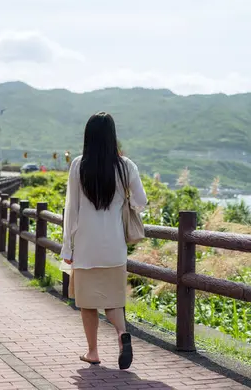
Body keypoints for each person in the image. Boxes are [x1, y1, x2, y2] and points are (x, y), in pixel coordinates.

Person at [60, 112, 148, 369]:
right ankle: (122, 335)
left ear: (88, 137)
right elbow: (141, 201)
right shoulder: (126, 166)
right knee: (112, 300)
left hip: (87, 247)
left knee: (88, 303)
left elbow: (72, 210)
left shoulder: (78, 165)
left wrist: (67, 247)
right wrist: (124, 203)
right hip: (115, 248)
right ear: (112, 137)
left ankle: (93, 352)